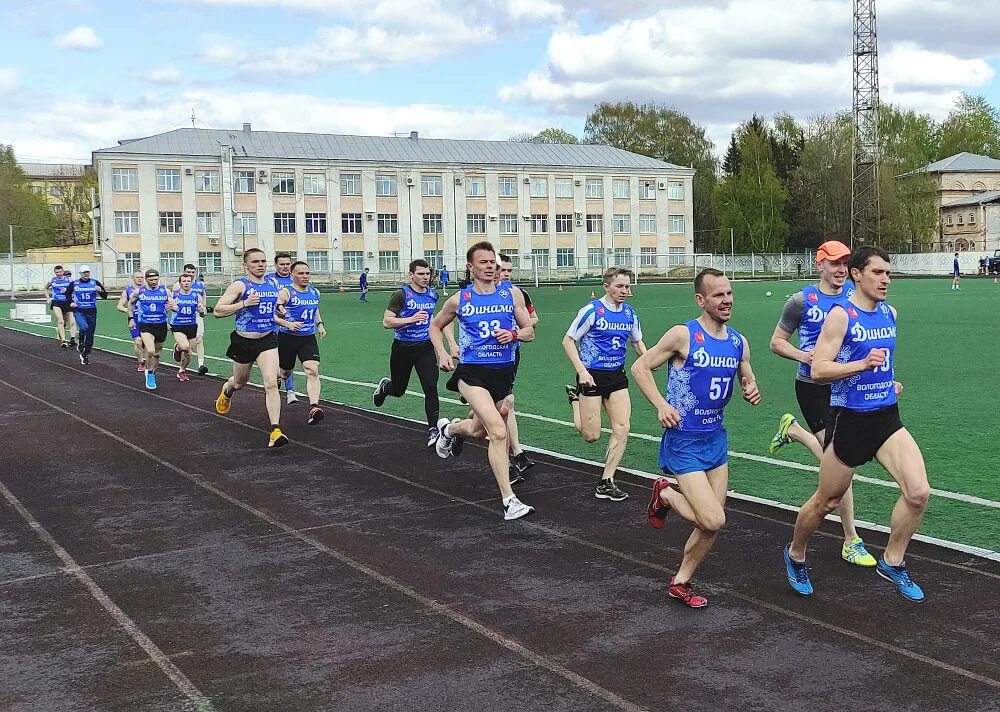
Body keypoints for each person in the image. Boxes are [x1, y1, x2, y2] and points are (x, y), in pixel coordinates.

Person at [784, 246, 929, 601]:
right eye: (878, 273)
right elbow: (819, 369)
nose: (885, 280)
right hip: (849, 420)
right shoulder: (841, 316)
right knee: (826, 502)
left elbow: (885, 361)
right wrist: (861, 366)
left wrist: (888, 380)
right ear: (856, 274)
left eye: (888, 273)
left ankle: (893, 561)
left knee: (918, 493)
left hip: (886, 418)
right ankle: (795, 554)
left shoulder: (890, 314)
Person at [631, 268, 761, 608]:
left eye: (729, 293)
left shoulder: (738, 341)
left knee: (710, 525)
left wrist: (750, 386)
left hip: (715, 439)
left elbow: (746, 372)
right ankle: (666, 495)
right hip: (684, 440)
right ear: (700, 300)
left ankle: (681, 581)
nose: (727, 300)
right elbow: (640, 368)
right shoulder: (683, 335)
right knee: (714, 518)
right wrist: (660, 404)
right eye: (718, 295)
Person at [767, 240, 876, 567]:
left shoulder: (855, 298)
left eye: (845, 263)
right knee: (842, 465)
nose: (840, 269)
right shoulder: (801, 302)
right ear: (820, 265)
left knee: (838, 464)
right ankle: (851, 539)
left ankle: (794, 432)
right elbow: (776, 342)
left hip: (847, 387)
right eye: (834, 263)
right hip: (813, 389)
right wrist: (803, 355)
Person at [429, 241, 536, 521]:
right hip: (472, 373)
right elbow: (435, 325)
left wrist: (513, 335)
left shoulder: (511, 294)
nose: (490, 267)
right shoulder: (460, 299)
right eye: (484, 263)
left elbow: (529, 331)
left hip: (503, 373)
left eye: (493, 263)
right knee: (498, 432)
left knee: (477, 431)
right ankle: (508, 501)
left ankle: (449, 430)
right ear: (471, 267)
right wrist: (441, 351)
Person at [563, 267, 646, 502]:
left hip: (616, 377)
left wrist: (648, 359)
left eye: (627, 286)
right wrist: (581, 372)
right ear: (606, 287)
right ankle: (575, 399)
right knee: (591, 436)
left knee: (622, 426)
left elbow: (637, 342)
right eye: (619, 286)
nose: (624, 291)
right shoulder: (592, 311)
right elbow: (568, 341)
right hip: (591, 375)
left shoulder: (630, 314)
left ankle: (606, 481)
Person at [373, 259, 457, 446]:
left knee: (430, 387)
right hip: (402, 348)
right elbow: (387, 321)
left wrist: (444, 341)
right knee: (399, 389)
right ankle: (385, 388)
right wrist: (410, 319)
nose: (425, 277)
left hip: (424, 348)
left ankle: (433, 430)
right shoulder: (401, 295)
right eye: (421, 274)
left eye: (427, 274)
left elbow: (434, 319)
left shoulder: (432, 295)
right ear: (411, 275)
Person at [213, 248, 288, 448]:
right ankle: (227, 391)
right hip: (243, 341)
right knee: (239, 383)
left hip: (267, 340)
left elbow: (270, 308)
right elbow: (218, 311)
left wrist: (279, 310)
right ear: (246, 265)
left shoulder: (273, 283)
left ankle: (275, 430)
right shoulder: (240, 285)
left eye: (263, 261)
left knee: (272, 383)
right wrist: (244, 303)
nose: (260, 264)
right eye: (255, 262)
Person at [496, 254, 538, 481]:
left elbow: (533, 320)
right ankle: (514, 457)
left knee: (502, 405)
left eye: (509, 271)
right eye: (503, 270)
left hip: (510, 353)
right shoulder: (474, 294)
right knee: (499, 406)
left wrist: (515, 329)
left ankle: (515, 456)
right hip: (481, 360)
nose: (506, 274)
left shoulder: (518, 294)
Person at [275, 261, 327, 425]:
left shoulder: (314, 292)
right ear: (292, 275)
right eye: (300, 273)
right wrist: (286, 321)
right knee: (284, 373)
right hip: (288, 338)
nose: (305, 276)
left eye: (307, 273)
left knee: (312, 369)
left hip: (307, 337)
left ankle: (314, 407)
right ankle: (275, 384)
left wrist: (320, 324)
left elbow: (315, 309)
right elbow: (275, 311)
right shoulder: (286, 292)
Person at [128, 269, 177, 390]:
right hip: (146, 324)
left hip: (161, 325)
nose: (154, 282)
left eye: (156, 279)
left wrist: (174, 307)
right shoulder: (139, 291)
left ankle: (152, 372)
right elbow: (131, 303)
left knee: (157, 353)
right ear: (146, 280)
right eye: (151, 280)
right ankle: (150, 374)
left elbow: (175, 306)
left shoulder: (165, 291)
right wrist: (131, 318)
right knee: (150, 351)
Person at [266, 253, 298, 403]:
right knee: (273, 360)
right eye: (282, 264)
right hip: (271, 325)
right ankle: (275, 383)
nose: (285, 267)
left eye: (287, 264)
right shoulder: (270, 280)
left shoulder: (295, 280)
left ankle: (290, 391)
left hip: (289, 326)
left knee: (287, 359)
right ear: (276, 265)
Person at [64, 265, 108, 366]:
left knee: (90, 335)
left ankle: (85, 354)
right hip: (79, 310)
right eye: (84, 272)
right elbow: (67, 293)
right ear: (80, 273)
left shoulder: (95, 282)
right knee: (84, 327)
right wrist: (70, 302)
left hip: (91, 311)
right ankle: (80, 339)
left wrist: (100, 291)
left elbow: (105, 296)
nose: (86, 274)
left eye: (87, 272)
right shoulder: (75, 283)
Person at [172, 264, 209, 375]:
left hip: (194, 317)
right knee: (186, 347)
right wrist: (174, 310)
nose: (191, 275)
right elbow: (172, 303)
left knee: (198, 341)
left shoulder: (200, 285)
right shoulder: (176, 287)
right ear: (184, 272)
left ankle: (199, 365)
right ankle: (178, 348)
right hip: (180, 319)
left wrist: (203, 309)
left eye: (193, 272)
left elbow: (203, 298)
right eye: (188, 272)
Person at [117, 271, 147, 371]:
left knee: (146, 342)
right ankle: (141, 362)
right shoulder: (127, 291)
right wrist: (128, 310)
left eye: (142, 277)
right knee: (138, 341)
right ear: (133, 278)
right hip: (134, 319)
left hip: (147, 319)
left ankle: (146, 359)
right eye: (138, 277)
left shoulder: (147, 290)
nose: (140, 279)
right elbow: (120, 306)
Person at [44, 265, 77, 348]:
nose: (58, 274)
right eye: (56, 272)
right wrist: (48, 298)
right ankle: (63, 340)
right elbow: (45, 288)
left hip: (68, 302)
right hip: (57, 302)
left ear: (63, 272)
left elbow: (76, 289)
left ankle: (72, 338)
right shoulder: (52, 280)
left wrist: (68, 291)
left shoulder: (69, 280)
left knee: (72, 322)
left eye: (60, 272)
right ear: (55, 273)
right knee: (61, 321)